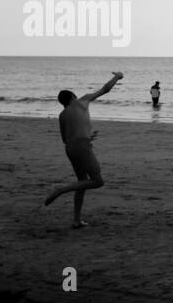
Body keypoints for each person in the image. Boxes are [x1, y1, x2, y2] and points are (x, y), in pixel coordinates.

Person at [44, 72, 123, 228]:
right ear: (73, 97)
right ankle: (60, 189)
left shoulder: (62, 115)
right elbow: (105, 89)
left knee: (82, 182)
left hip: (71, 148)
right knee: (97, 181)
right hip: (82, 148)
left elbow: (65, 139)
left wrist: (86, 138)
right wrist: (117, 77)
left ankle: (76, 220)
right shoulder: (83, 101)